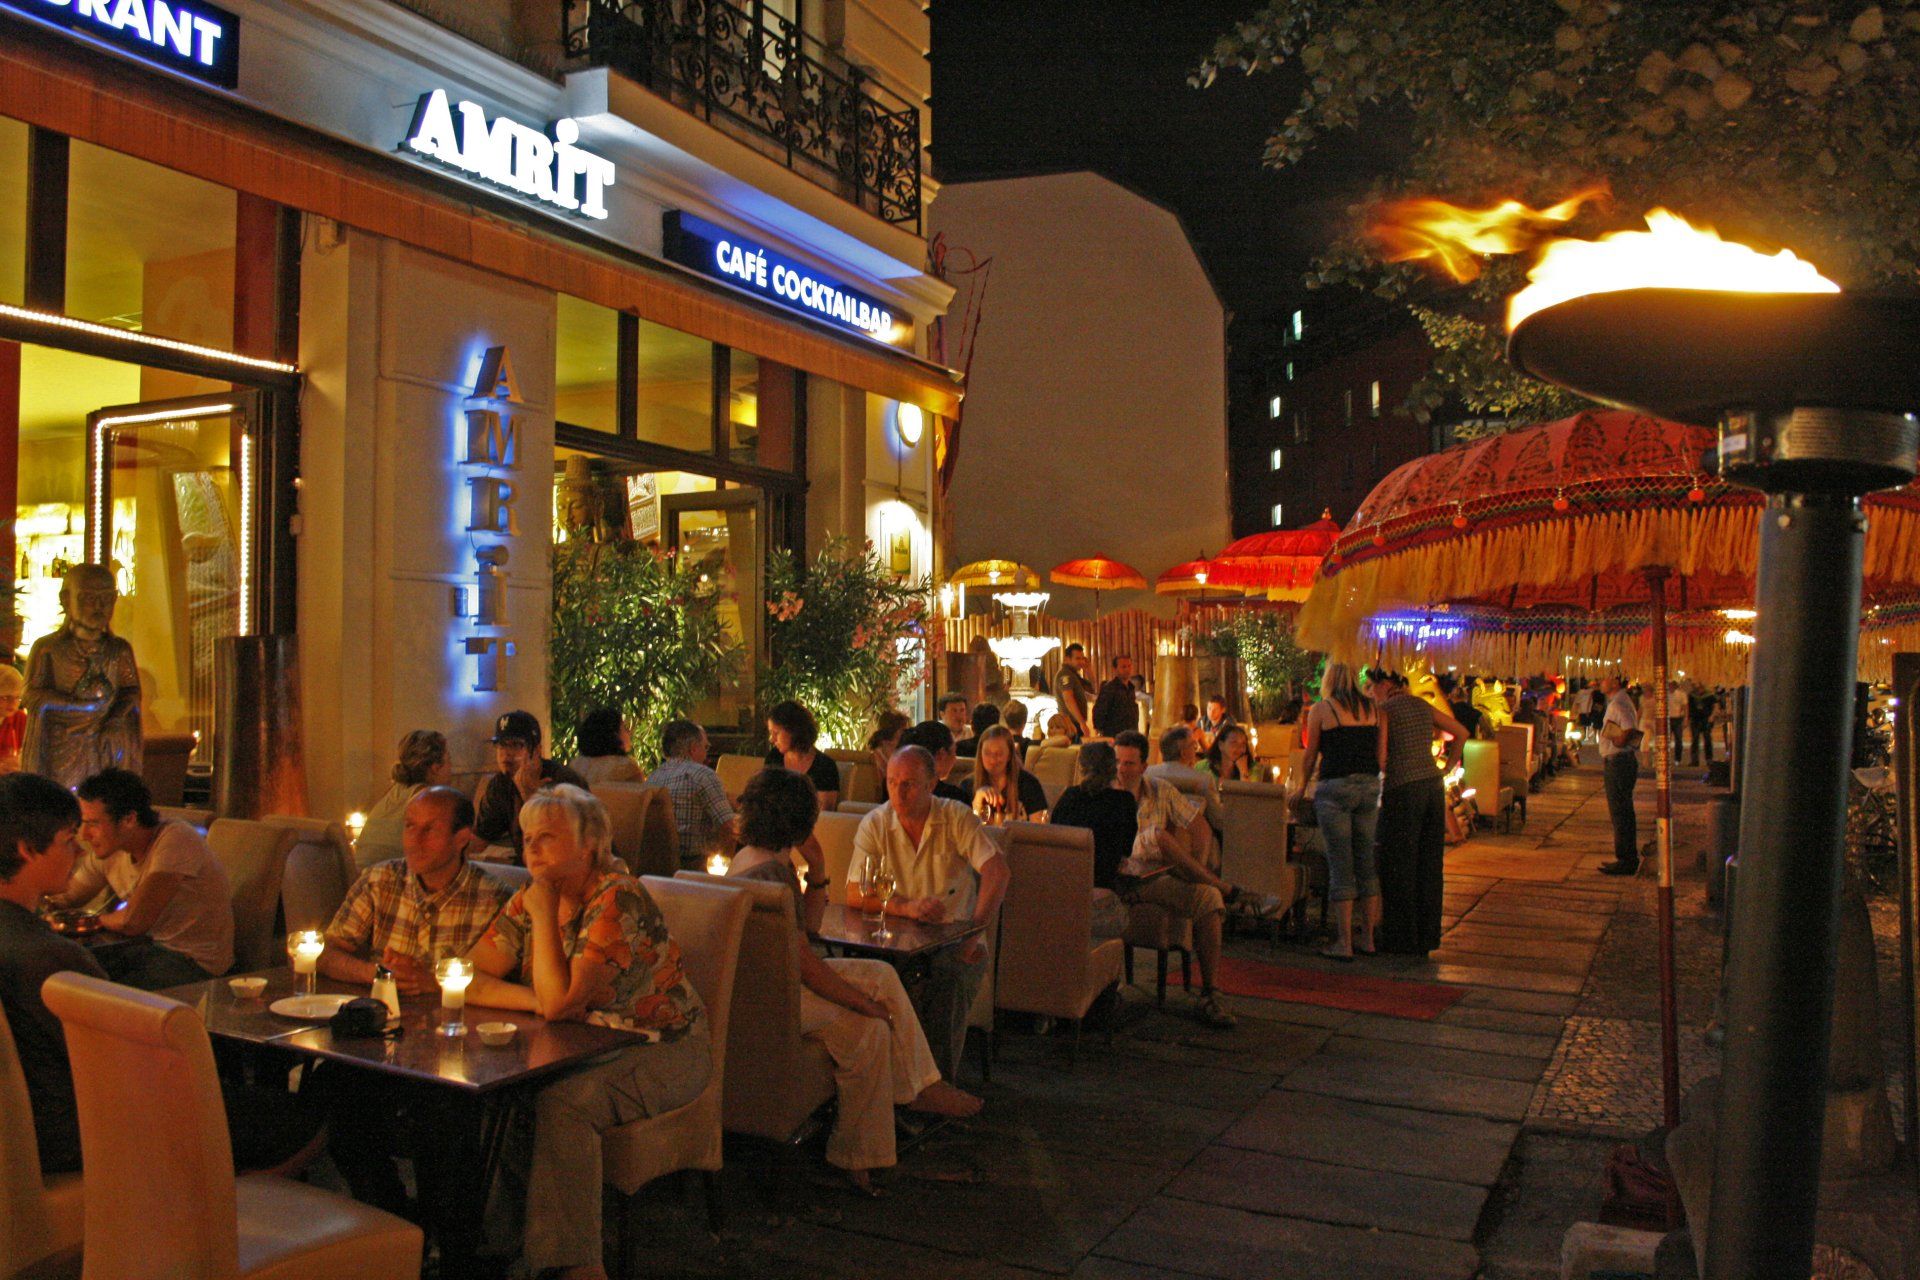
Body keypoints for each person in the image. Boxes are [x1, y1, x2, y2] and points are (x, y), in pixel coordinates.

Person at [468, 786, 710, 1280]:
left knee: (564, 1103)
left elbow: (563, 1002)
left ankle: (576, 1265)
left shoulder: (617, 897)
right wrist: (534, 999)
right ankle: (495, 1245)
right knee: (495, 1095)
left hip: (664, 1048)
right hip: (581, 1047)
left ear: (591, 844)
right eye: (528, 838)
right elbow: (470, 975)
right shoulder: (534, 896)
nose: (532, 850)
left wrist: (542, 928)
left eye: (548, 838)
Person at [728, 768, 980, 1193]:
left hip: (773, 983)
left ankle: (918, 1090)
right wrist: (863, 1004)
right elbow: (806, 965)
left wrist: (819, 867)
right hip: (774, 996)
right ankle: (864, 1151)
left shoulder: (759, 859)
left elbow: (806, 932)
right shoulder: (768, 875)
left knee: (880, 974)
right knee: (869, 1028)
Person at [317, 786, 513, 1223]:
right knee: (330, 1087)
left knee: (441, 1115)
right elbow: (329, 953)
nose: (413, 840)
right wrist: (378, 974)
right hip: (381, 1043)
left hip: (454, 1052)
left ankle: (453, 1243)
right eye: (409, 826)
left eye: (429, 830)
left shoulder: (492, 898)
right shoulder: (380, 880)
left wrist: (432, 981)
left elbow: (497, 989)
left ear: (463, 838)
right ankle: (393, 1218)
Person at [849, 746, 1009, 1080]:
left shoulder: (954, 817)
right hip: (893, 939)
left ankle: (935, 1085)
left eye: (908, 784)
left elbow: (998, 871)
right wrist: (905, 907)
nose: (898, 792)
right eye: (892, 782)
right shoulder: (876, 824)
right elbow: (855, 892)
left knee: (946, 976)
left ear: (931, 785)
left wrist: (972, 933)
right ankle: (885, 1083)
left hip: (951, 940)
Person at [1114, 730, 1265, 1028]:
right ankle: (1221, 884)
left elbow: (1201, 828)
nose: (1121, 769)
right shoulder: (1105, 794)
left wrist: (1196, 866)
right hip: (1119, 879)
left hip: (1154, 878)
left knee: (1208, 898)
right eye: (1117, 762)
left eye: (1129, 763)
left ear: (1144, 766)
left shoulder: (1159, 789)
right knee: (1156, 836)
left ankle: (1210, 993)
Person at [0, 771, 102, 1175]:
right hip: (67, 1143)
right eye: (67, 840)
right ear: (27, 849)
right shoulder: (49, 959)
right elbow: (123, 1067)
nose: (78, 851)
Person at [52, 768, 233, 988]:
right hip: (145, 950)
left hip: (194, 964)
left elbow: (134, 920)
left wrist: (91, 921)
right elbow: (66, 896)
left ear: (129, 819)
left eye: (94, 824)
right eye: (84, 823)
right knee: (60, 972)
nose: (84, 835)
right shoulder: (112, 849)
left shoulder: (175, 839)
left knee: (91, 991)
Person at [21, 563, 142, 788]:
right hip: (62, 745)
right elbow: (30, 694)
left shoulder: (119, 650)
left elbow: (131, 691)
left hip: (104, 743)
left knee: (103, 805)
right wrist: (76, 705)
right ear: (66, 600)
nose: (98, 606)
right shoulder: (48, 649)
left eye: (106, 598)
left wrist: (115, 718)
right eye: (88, 598)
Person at [1373, 672, 1468, 956]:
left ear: (1385, 686)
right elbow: (1461, 732)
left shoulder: (1385, 710)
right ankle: (1427, 936)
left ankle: (1400, 938)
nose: (1371, 693)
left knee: (1399, 863)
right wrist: (1448, 767)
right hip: (1432, 787)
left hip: (1402, 788)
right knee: (1429, 862)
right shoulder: (1422, 706)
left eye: (1372, 687)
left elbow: (1381, 757)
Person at [1299, 663, 1381, 960]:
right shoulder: (1372, 708)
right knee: (1366, 862)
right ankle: (1368, 938)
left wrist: (1300, 788)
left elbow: (1311, 755)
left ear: (1329, 679)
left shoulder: (1323, 709)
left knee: (1340, 864)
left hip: (1336, 787)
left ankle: (1344, 943)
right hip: (1369, 787)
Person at [1048, 741, 1138, 938]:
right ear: (1113, 769)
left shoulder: (1068, 798)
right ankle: (1107, 964)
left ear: (1080, 768)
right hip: (1100, 903)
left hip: (1062, 898)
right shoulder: (1124, 802)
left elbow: (1052, 839)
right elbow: (1127, 850)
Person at [474, 710, 589, 861]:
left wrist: (530, 796)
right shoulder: (500, 784)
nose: (506, 753)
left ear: (536, 751)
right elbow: (479, 839)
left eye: (516, 745)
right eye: (501, 745)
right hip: (532, 868)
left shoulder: (563, 781)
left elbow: (568, 845)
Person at [355, 729, 453, 870]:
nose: (452, 770)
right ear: (435, 768)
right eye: (449, 761)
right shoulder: (426, 798)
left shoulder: (394, 791)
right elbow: (445, 851)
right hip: (387, 883)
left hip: (361, 880)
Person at [645, 719, 737, 866]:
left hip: (660, 866)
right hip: (697, 866)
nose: (707, 754)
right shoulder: (702, 775)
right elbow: (728, 825)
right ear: (693, 748)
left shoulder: (653, 777)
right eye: (706, 747)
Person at [1598, 674, 1644, 876]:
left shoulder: (1619, 704)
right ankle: (1625, 857)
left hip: (1619, 761)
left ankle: (1626, 859)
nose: (1601, 682)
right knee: (1621, 810)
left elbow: (1629, 729)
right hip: (1619, 761)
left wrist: (1618, 741)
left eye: (1604, 679)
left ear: (1614, 682)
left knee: (1620, 811)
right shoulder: (1619, 701)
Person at [765, 699, 841, 811]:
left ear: (794, 731)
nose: (771, 739)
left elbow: (824, 812)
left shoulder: (825, 767)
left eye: (776, 733)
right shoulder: (774, 758)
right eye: (770, 733)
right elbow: (765, 800)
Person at [1146, 725, 1223, 834]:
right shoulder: (1203, 779)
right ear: (1183, 753)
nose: (1196, 749)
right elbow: (1218, 820)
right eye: (1193, 745)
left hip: (1151, 837)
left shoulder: (1147, 774)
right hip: (1192, 841)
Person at [969, 725, 1048, 824]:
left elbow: (1039, 831)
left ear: (1010, 754)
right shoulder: (968, 785)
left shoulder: (1029, 784)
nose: (993, 760)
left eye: (999, 754)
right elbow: (962, 832)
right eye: (987, 753)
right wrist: (977, 804)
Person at [569, 707, 643, 786]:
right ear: (614, 735)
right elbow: (644, 796)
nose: (629, 732)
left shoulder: (576, 766)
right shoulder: (627, 767)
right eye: (624, 727)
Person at [900, 720, 970, 802]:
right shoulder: (955, 799)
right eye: (954, 752)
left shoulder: (895, 789)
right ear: (941, 754)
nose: (955, 759)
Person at [1092, 656, 1139, 738]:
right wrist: (1100, 729)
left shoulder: (1131, 687)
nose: (1127, 669)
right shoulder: (1109, 688)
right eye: (1123, 667)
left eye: (1129, 666)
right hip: (1114, 733)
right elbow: (1099, 710)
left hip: (1131, 732)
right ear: (1115, 669)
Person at [1056, 644, 1095, 741]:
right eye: (1077, 659)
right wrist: (1082, 723)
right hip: (1071, 724)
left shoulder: (1074, 675)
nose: (1081, 662)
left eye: (1082, 658)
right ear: (1067, 659)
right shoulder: (1065, 674)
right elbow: (1068, 699)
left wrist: (1088, 669)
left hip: (1075, 723)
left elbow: (1092, 688)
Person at [867, 710, 912, 781]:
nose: (907, 733)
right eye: (904, 730)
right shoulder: (891, 753)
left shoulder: (877, 750)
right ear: (898, 731)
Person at [0, 663, 26, 774]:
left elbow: (30, 751)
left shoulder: (20, 719)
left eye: (17, 697)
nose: (13, 703)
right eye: (6, 697)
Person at [1688, 684, 1719, 765]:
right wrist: (1688, 718)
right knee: (1695, 740)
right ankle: (1694, 760)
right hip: (1695, 719)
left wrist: (1712, 716)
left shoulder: (1710, 695)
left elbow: (1716, 706)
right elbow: (1688, 707)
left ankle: (1709, 759)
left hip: (1706, 719)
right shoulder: (1692, 695)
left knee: (1707, 739)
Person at [1666, 680, 1689, 767]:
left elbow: (1685, 707)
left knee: (1678, 739)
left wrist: (1686, 718)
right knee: (1666, 739)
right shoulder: (1665, 694)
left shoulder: (1681, 694)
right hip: (1668, 718)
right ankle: (1666, 758)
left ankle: (1677, 759)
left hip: (1677, 718)